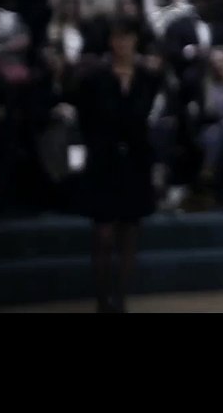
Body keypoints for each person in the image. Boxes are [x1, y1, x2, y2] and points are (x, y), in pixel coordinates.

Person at [72, 16, 164, 313]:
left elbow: (152, 117)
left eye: (127, 37)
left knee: (129, 234)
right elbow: (84, 120)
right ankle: (102, 302)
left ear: (135, 40)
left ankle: (121, 301)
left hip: (136, 161)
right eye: (117, 37)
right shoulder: (94, 78)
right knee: (103, 234)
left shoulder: (149, 78)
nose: (122, 43)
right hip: (104, 161)